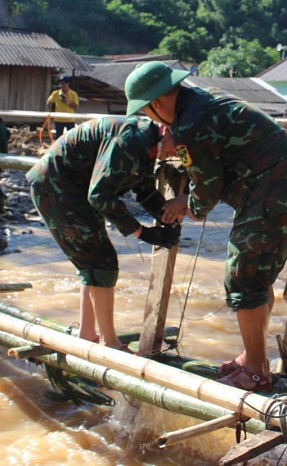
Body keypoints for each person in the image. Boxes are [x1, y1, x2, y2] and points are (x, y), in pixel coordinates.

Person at [124, 61, 287, 392]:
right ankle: (253, 357)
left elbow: (206, 193)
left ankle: (256, 370)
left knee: (242, 277)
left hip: (272, 195)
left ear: (154, 105)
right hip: (286, 187)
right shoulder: (200, 96)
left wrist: (188, 206)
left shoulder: (189, 126)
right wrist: (191, 193)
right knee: (257, 276)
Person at [26, 117, 181, 349]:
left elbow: (144, 188)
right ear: (166, 130)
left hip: (71, 189)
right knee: (103, 262)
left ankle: (87, 334)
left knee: (91, 264)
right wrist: (141, 232)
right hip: (58, 188)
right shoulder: (132, 139)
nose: (176, 153)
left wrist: (163, 213)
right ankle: (110, 343)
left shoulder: (148, 142)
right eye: (177, 146)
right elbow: (100, 196)